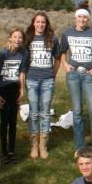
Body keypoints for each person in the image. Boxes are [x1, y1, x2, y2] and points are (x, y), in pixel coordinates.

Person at [58, 4, 92, 155]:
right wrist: (65, 64)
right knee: (77, 111)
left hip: (88, 75)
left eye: (85, 17)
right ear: (75, 18)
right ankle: (79, 147)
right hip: (73, 75)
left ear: (88, 19)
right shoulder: (67, 33)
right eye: (79, 16)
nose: (82, 19)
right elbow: (62, 51)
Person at [22, 12, 59, 160]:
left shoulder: (52, 39)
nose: (40, 25)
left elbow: (57, 59)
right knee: (34, 112)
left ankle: (43, 144)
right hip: (32, 79)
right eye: (38, 22)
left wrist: (52, 74)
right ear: (33, 23)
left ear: (46, 24)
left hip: (47, 80)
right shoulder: (28, 39)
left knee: (45, 112)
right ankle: (34, 144)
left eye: (43, 22)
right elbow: (23, 59)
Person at [0, 27, 27, 161]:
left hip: (14, 88)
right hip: (3, 89)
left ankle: (12, 151)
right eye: (15, 37)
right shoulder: (2, 54)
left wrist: (22, 90)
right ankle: (4, 151)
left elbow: (22, 73)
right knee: (4, 121)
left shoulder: (23, 53)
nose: (18, 40)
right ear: (10, 38)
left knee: (13, 121)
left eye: (20, 37)